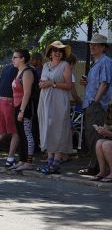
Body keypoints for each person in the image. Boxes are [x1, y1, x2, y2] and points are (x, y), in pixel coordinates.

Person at [37, 41, 73, 174]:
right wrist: (42, 84)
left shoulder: (65, 65)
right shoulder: (46, 65)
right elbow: (41, 82)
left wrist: (52, 83)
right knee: (48, 128)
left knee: (59, 129)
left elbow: (69, 85)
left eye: (60, 51)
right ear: (50, 53)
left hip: (59, 101)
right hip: (45, 101)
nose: (57, 53)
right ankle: (50, 161)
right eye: (55, 50)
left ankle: (56, 162)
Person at [79, 34, 112, 176]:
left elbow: (105, 83)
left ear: (103, 47)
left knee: (95, 135)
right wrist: (87, 83)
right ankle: (95, 165)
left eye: (96, 44)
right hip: (91, 103)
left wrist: (95, 101)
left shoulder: (105, 61)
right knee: (90, 135)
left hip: (97, 105)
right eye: (91, 44)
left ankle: (98, 167)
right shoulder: (96, 62)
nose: (92, 46)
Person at [10, 49, 36, 171]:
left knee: (27, 133)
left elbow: (27, 93)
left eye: (15, 57)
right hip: (17, 106)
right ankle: (22, 160)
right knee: (20, 134)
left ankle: (29, 162)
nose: (12, 60)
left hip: (25, 107)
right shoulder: (19, 72)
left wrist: (21, 111)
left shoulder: (27, 72)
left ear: (23, 59)